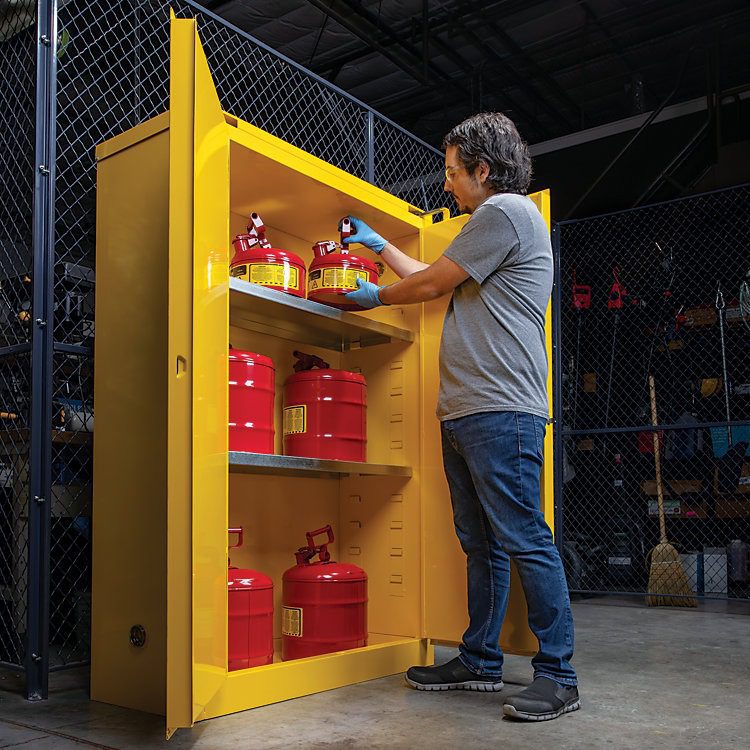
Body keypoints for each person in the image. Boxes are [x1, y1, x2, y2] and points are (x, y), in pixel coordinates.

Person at [342, 112, 579, 722]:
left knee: (524, 537)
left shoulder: (505, 213)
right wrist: (379, 247)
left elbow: (427, 289)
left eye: (453, 173)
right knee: (482, 544)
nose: (446, 185)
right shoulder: (488, 228)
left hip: (502, 408)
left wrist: (374, 294)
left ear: (484, 170)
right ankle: (480, 659)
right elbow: (431, 277)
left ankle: (559, 674)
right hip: (470, 410)